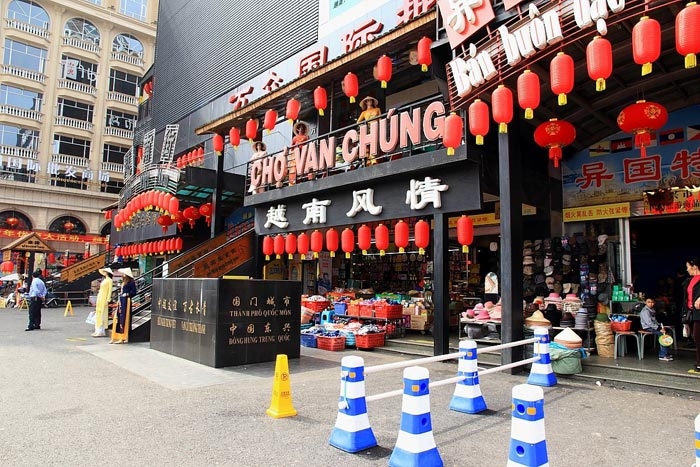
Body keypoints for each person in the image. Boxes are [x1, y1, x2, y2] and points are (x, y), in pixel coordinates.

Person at [639, 297, 672, 361]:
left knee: (666, 334)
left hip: (653, 326)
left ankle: (665, 353)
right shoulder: (645, 311)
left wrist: (660, 326)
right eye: (649, 302)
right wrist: (658, 328)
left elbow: (654, 321)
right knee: (662, 335)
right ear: (645, 302)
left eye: (652, 302)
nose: (650, 304)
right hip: (647, 327)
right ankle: (662, 355)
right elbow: (649, 323)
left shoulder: (652, 310)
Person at [682, 257, 700, 373]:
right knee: (696, 337)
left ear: (694, 266)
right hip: (693, 312)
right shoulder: (690, 280)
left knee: (698, 336)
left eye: (688, 267)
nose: (687, 269)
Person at [110, 268, 137, 344]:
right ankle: (116, 336)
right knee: (118, 318)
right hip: (121, 300)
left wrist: (127, 294)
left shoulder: (131, 282)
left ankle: (122, 337)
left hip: (126, 301)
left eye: (124, 274)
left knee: (124, 318)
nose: (123, 275)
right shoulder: (124, 282)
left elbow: (134, 292)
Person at [357, 96, 381, 166]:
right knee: (369, 144)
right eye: (367, 101)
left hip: (376, 127)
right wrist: (363, 126)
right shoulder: (364, 112)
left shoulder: (377, 109)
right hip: (368, 129)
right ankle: (371, 160)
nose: (369, 102)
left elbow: (380, 119)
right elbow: (358, 122)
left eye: (370, 100)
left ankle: (373, 159)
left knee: (375, 143)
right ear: (366, 102)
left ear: (372, 102)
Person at [92, 267, 113, 337]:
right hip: (100, 296)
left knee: (102, 314)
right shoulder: (104, 280)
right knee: (98, 312)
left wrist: (108, 299)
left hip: (104, 297)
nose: (104, 272)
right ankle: (97, 330)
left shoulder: (110, 280)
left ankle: (101, 330)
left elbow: (110, 290)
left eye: (105, 271)